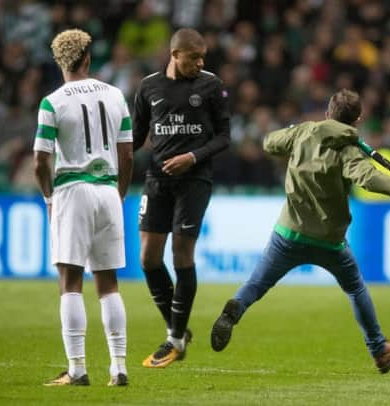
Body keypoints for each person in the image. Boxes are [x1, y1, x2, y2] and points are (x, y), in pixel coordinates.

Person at [210, 89, 390, 373]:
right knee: (355, 288)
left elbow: (269, 142)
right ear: (357, 120)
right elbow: (370, 179)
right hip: (330, 241)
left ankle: (236, 309)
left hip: (288, 233)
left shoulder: (303, 132)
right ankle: (379, 350)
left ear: (328, 113)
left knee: (257, 283)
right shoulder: (349, 150)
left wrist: (295, 133)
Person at [33, 29, 133, 386]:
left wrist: (49, 198)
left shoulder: (52, 102)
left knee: (70, 282)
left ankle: (77, 369)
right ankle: (119, 367)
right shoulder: (115, 95)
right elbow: (127, 155)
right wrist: (118, 195)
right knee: (108, 283)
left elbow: (39, 161)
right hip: (108, 190)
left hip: (72, 190)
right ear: (87, 59)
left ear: (60, 61)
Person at [132, 28, 230, 368]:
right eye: (193, 58)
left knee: (181, 252)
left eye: (203, 58)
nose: (200, 63)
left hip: (195, 180)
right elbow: (136, 137)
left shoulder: (211, 85)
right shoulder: (148, 87)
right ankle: (178, 329)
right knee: (148, 257)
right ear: (174, 55)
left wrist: (192, 157)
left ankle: (174, 338)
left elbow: (224, 137)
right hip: (157, 180)